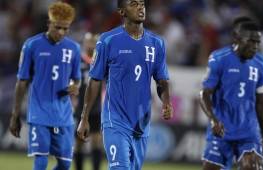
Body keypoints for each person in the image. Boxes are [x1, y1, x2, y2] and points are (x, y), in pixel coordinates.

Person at [77, 0, 173, 169]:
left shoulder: (157, 43)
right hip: (114, 119)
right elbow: (94, 80)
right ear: (122, 12)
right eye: (134, 4)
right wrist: (84, 118)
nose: (140, 7)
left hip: (141, 123)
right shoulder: (108, 40)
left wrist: (166, 101)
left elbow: (161, 80)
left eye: (142, 3)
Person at [9, 2, 81, 170]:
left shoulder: (74, 48)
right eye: (58, 27)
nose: (61, 32)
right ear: (49, 23)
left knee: (65, 164)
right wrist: (15, 114)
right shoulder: (32, 45)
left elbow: (76, 79)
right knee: (41, 160)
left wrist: (74, 86)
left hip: (63, 115)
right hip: (39, 112)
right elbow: (22, 81)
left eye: (66, 28)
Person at [199, 21, 263, 170]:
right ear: (237, 39)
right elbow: (204, 93)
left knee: (251, 166)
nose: (255, 46)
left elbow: (262, 101)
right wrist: (213, 120)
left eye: (257, 42)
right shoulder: (219, 59)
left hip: (249, 132)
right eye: (250, 41)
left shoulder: (261, 63)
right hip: (222, 130)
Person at [73, 32, 103, 170]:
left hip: (96, 107)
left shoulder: (101, 61)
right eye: (88, 42)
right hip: (79, 108)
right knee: (79, 142)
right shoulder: (77, 61)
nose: (90, 45)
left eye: (93, 42)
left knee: (96, 141)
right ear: (84, 43)